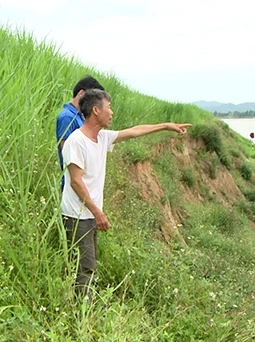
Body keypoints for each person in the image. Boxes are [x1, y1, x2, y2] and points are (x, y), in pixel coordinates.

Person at [61, 88, 192, 298]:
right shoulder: (77, 141)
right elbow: (76, 182)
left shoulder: (101, 138)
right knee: (85, 269)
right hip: (77, 215)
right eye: (109, 107)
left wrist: (166, 126)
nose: (111, 112)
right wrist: (98, 212)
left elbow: (134, 131)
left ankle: (82, 307)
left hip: (89, 214)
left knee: (86, 264)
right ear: (96, 110)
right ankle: (82, 315)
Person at [56, 75, 105, 190]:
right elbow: (67, 152)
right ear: (82, 93)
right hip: (73, 183)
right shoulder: (67, 117)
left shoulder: (80, 116)